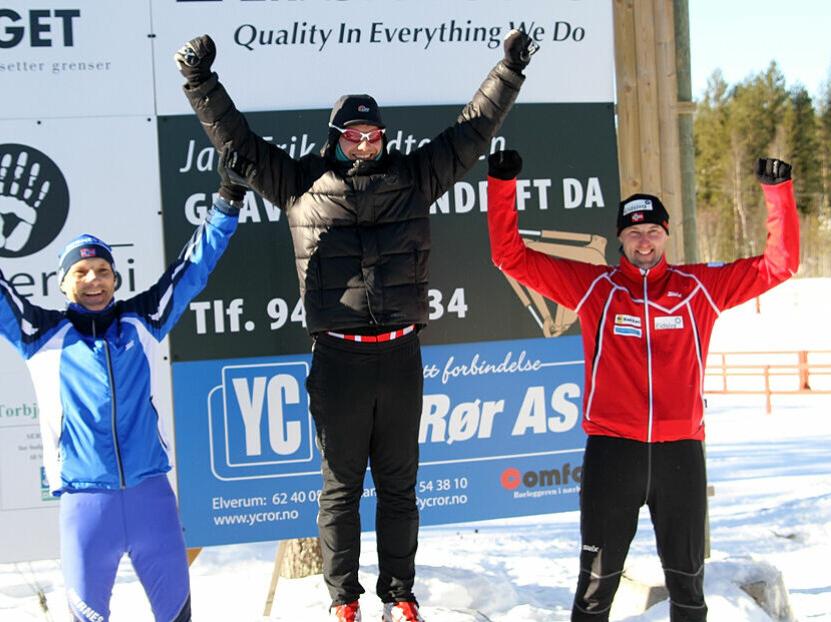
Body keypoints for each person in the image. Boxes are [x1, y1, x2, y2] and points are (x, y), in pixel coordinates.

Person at [173, 29, 537, 622]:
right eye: (354, 135)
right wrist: (200, 81)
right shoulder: (299, 184)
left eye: (373, 134)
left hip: (400, 357)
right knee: (340, 489)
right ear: (335, 138)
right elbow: (239, 143)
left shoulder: (415, 177)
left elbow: (471, 131)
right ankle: (344, 600)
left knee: (399, 487)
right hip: (339, 360)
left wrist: (509, 70)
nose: (366, 144)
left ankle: (400, 594)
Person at [485, 150, 799, 621]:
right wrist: (502, 185)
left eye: (652, 230)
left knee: (688, 589)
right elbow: (509, 256)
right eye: (634, 232)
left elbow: (781, 264)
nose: (644, 240)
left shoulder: (698, 288)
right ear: (620, 238)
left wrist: (777, 194)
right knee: (596, 588)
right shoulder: (595, 288)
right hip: (614, 453)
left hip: (681, 457)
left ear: (666, 235)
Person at [0, 154, 245, 622]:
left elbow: (194, 266)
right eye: (81, 272)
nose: (93, 279)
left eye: (102, 270)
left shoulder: (143, 320)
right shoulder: (40, 335)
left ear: (115, 278)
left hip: (153, 499)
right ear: (63, 284)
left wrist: (228, 198)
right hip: (86, 506)